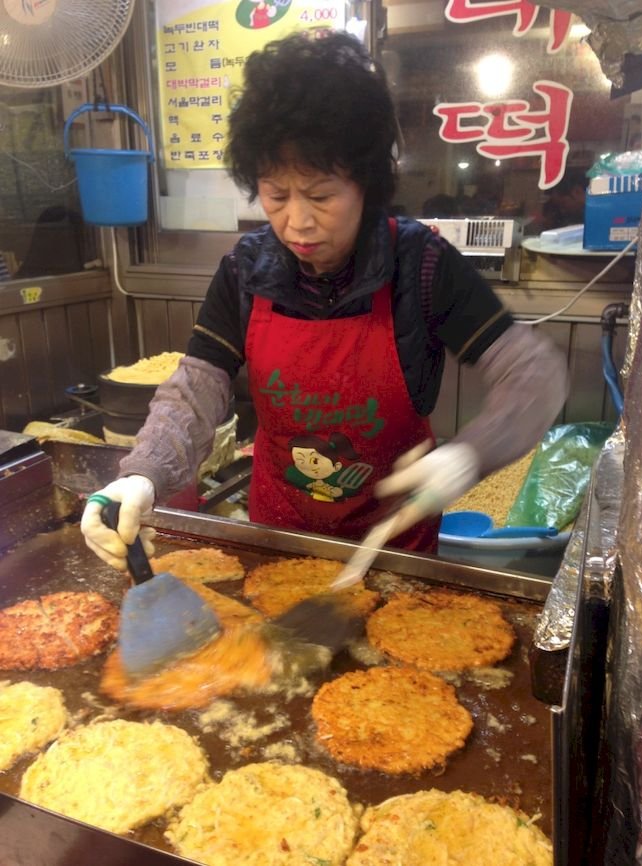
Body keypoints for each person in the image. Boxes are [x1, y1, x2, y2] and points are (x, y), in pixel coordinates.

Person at [81, 31, 569, 572]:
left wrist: (468, 454)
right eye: (275, 194)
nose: (297, 221)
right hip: (278, 540)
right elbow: (196, 389)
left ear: (365, 183)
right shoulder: (245, 270)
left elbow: (534, 374)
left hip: (393, 553)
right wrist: (143, 472)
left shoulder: (422, 264)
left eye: (320, 195)